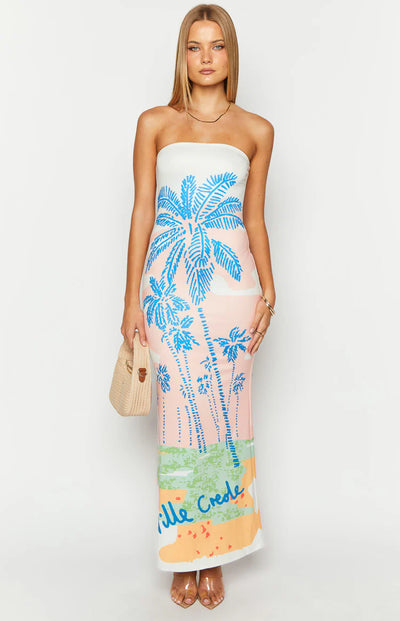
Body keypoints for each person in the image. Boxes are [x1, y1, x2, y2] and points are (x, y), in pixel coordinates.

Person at [121, 3, 275, 610]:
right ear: (182, 56)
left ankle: (215, 553)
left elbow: (254, 219)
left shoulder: (256, 130)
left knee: (226, 421)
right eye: (194, 46)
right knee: (179, 422)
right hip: (169, 296)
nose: (206, 58)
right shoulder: (155, 123)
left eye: (216, 46)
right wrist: (130, 298)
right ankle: (184, 552)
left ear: (230, 55)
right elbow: (143, 211)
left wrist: (270, 290)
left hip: (232, 298)